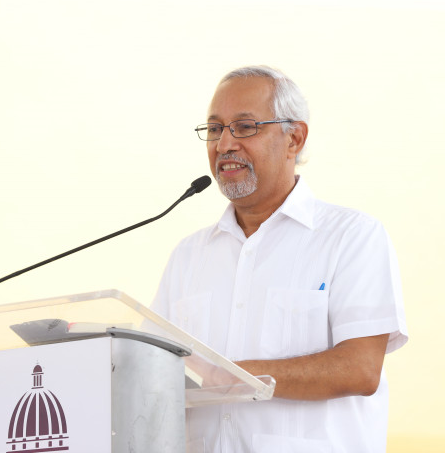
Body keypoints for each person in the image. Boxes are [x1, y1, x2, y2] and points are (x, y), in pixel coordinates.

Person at [151, 65, 408, 453]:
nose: (224, 144)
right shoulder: (188, 255)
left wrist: (235, 376)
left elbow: (360, 369)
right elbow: (150, 370)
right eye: (215, 129)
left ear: (294, 138)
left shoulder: (351, 237)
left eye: (244, 127)